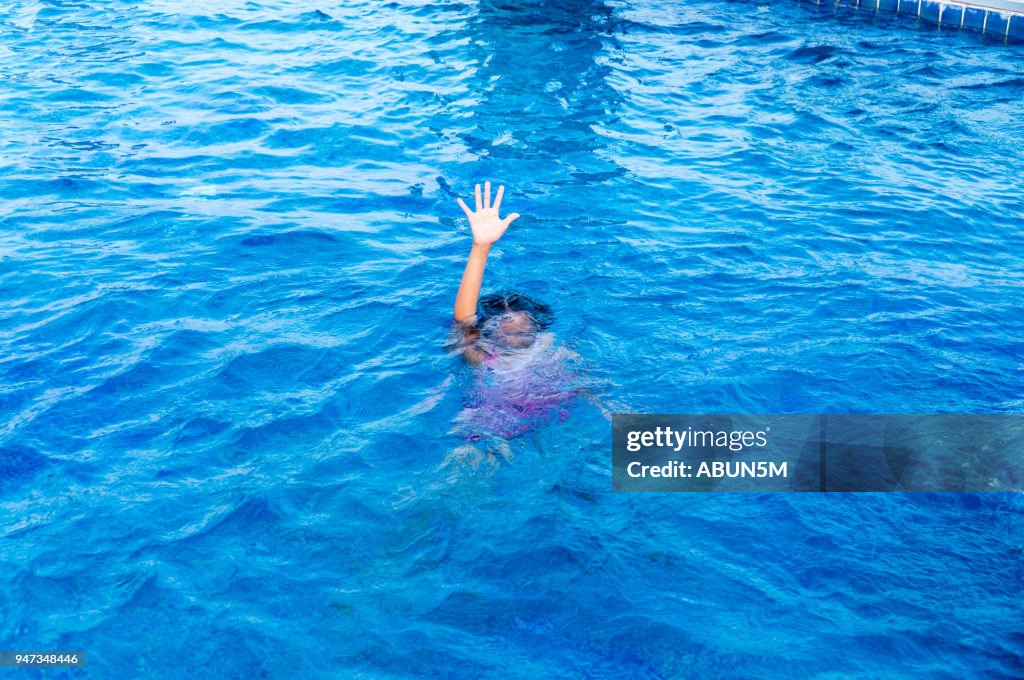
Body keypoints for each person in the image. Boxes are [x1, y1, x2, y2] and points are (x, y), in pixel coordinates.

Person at [447, 182, 581, 452]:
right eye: (506, 332)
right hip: (493, 421)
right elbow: (463, 322)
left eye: (521, 332)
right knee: (468, 458)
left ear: (538, 327)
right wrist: (480, 247)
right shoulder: (483, 356)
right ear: (488, 332)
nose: (515, 338)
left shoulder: (551, 347)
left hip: (551, 412)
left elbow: (585, 385)